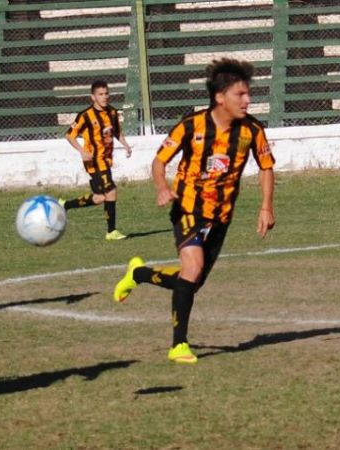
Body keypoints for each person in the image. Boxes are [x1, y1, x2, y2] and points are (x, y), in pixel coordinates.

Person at [112, 59, 276, 364]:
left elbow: (266, 167)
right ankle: (179, 345)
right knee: (193, 268)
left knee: (192, 281)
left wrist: (266, 206)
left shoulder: (252, 130)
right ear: (220, 97)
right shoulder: (192, 125)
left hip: (222, 215)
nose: (247, 100)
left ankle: (139, 273)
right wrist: (162, 187)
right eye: (240, 94)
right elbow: (159, 161)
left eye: (248, 94)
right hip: (188, 208)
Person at [62, 80, 133, 241]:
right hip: (94, 160)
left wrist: (126, 145)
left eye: (106, 93)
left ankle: (65, 205)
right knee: (111, 191)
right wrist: (82, 151)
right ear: (93, 97)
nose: (104, 97)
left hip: (106, 160)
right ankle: (111, 231)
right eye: (100, 94)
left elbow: (116, 132)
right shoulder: (85, 115)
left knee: (100, 198)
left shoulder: (112, 112)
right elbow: (69, 135)